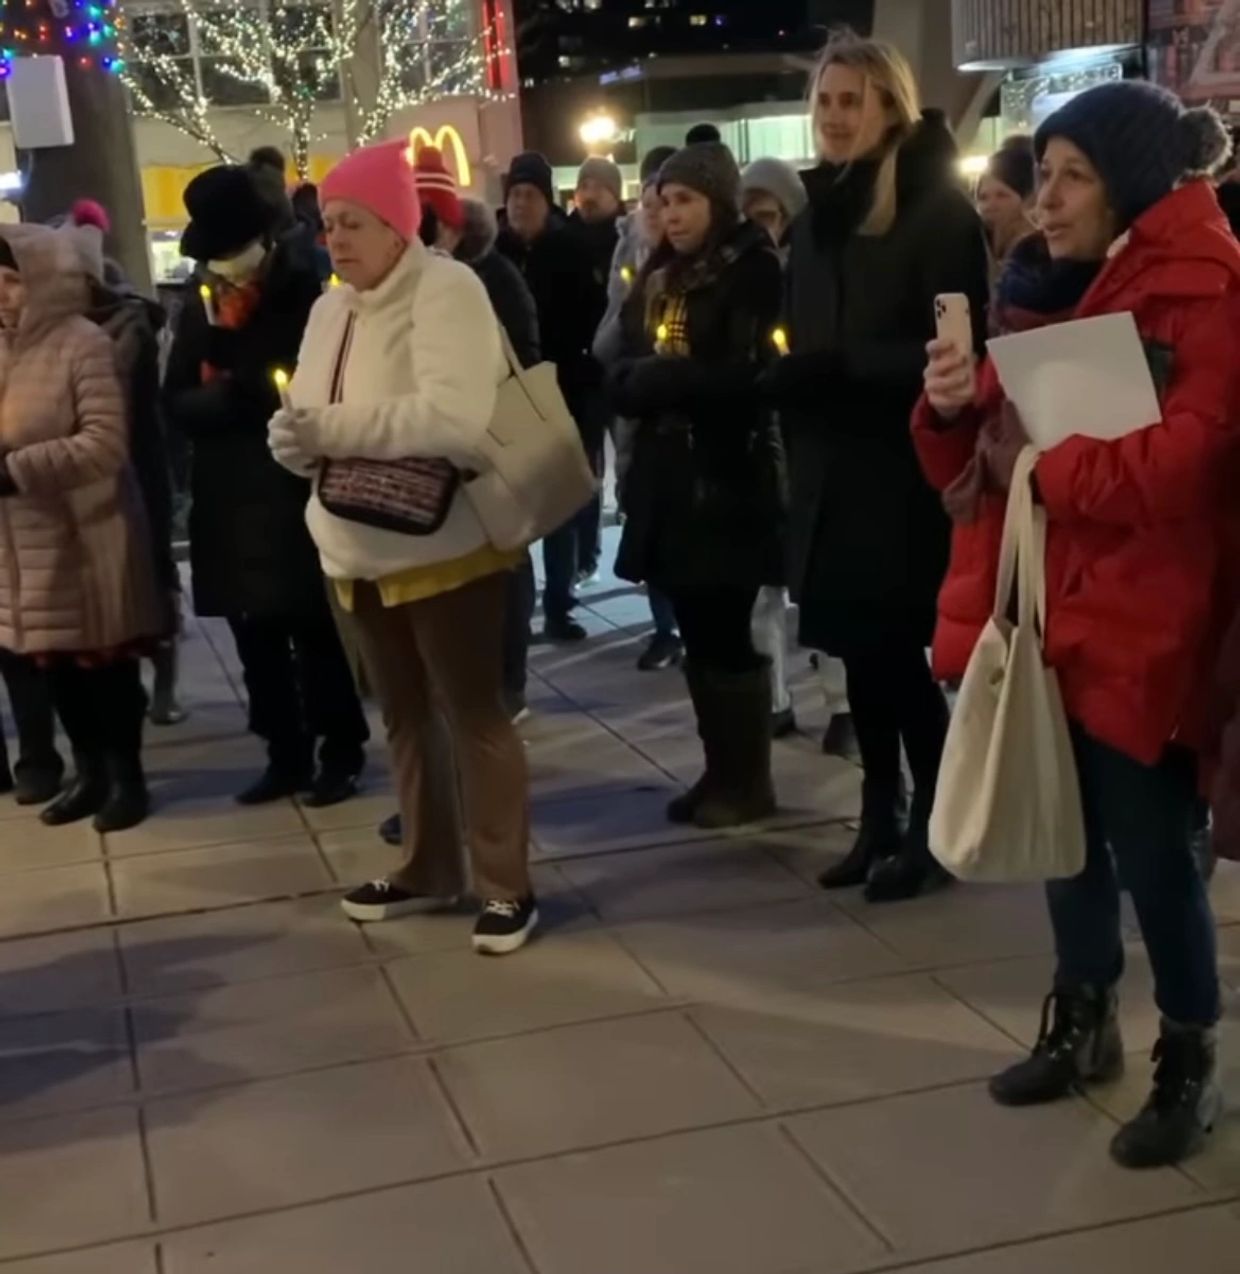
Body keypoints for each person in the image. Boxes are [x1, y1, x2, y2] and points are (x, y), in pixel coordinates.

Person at [918, 81, 1239, 1169]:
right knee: (1063, 833)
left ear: (1132, 185)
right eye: (1039, 175)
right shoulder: (1037, 286)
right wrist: (956, 407)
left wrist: (1046, 469)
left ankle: (1191, 1052)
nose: (1043, 200)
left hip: (1155, 612)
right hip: (1053, 605)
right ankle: (1082, 1017)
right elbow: (989, 461)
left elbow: (1189, 459)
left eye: (1071, 177)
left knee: (1154, 852)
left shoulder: (1205, 289)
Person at [269, 140, 538, 955]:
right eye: (327, 225)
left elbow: (452, 418)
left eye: (352, 223)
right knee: (406, 718)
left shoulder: (446, 289)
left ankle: (506, 885)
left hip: (443, 541)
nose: (336, 239)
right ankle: (427, 864)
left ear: (397, 225)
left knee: (475, 713)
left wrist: (331, 431)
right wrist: (292, 441)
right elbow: (310, 413)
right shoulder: (330, 308)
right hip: (351, 547)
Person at [763, 33, 988, 902]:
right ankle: (878, 816)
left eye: (851, 101)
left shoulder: (934, 210)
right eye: (824, 102)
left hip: (898, 472)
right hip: (829, 467)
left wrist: (846, 368)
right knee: (860, 659)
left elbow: (961, 351)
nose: (834, 118)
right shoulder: (821, 214)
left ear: (890, 106)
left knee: (895, 657)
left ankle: (934, 825)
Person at [164, 165, 370, 807]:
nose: (221, 267)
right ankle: (284, 753)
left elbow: (296, 390)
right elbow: (173, 398)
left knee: (315, 633)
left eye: (228, 251)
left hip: (290, 489)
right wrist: (226, 394)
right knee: (254, 636)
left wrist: (234, 384)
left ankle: (340, 750)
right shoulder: (199, 304)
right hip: (226, 497)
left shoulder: (303, 293)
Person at [606, 142, 786, 829]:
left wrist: (674, 381)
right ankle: (720, 770)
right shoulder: (661, 272)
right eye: (664, 201)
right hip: (669, 478)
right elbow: (626, 348)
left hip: (725, 478)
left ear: (718, 202)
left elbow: (753, 375)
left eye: (686, 201)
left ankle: (749, 781)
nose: (672, 215)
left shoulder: (750, 268)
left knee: (725, 625)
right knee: (694, 626)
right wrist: (633, 383)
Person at [0, 225, 163, 831]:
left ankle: (127, 778)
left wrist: (16, 470)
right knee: (56, 666)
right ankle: (88, 772)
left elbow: (103, 443)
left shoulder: (83, 343)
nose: (4, 295)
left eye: (15, 281)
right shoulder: (4, 347)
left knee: (104, 669)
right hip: (23, 541)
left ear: (44, 281)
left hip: (86, 533)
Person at [68, 200, 185, 728]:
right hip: (94, 476)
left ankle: (164, 684)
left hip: (138, 466)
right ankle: (134, 687)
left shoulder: (128, 329)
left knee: (153, 575)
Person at [496, 151, 605, 642]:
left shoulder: (570, 251)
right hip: (506, 396)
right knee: (513, 508)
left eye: (530, 195)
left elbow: (592, 323)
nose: (521, 204)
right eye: (515, 195)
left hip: (562, 391)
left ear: (546, 201)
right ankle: (516, 608)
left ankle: (560, 603)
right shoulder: (492, 253)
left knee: (560, 506)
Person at [594, 143, 683, 673]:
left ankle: (678, 624)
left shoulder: (699, 263)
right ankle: (663, 626)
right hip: (634, 408)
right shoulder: (629, 253)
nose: (657, 213)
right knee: (641, 512)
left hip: (674, 414)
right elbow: (614, 319)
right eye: (650, 202)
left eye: (667, 201)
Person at [741, 157, 806, 740]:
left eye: (769, 215)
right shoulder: (744, 273)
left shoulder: (810, 270)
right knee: (767, 588)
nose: (762, 228)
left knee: (812, 588)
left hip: (807, 439)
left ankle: (840, 706)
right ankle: (775, 697)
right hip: (765, 440)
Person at [568, 155, 625, 584]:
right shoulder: (566, 240)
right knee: (586, 470)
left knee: (628, 462)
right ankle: (587, 554)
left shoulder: (629, 238)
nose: (587, 194)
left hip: (622, 369)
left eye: (597, 187)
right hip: (584, 372)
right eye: (583, 185)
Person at [976, 136, 1038, 299]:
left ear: (1028, 199)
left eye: (1002, 195)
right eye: (983, 197)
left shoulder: (1034, 255)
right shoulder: (982, 250)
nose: (990, 205)